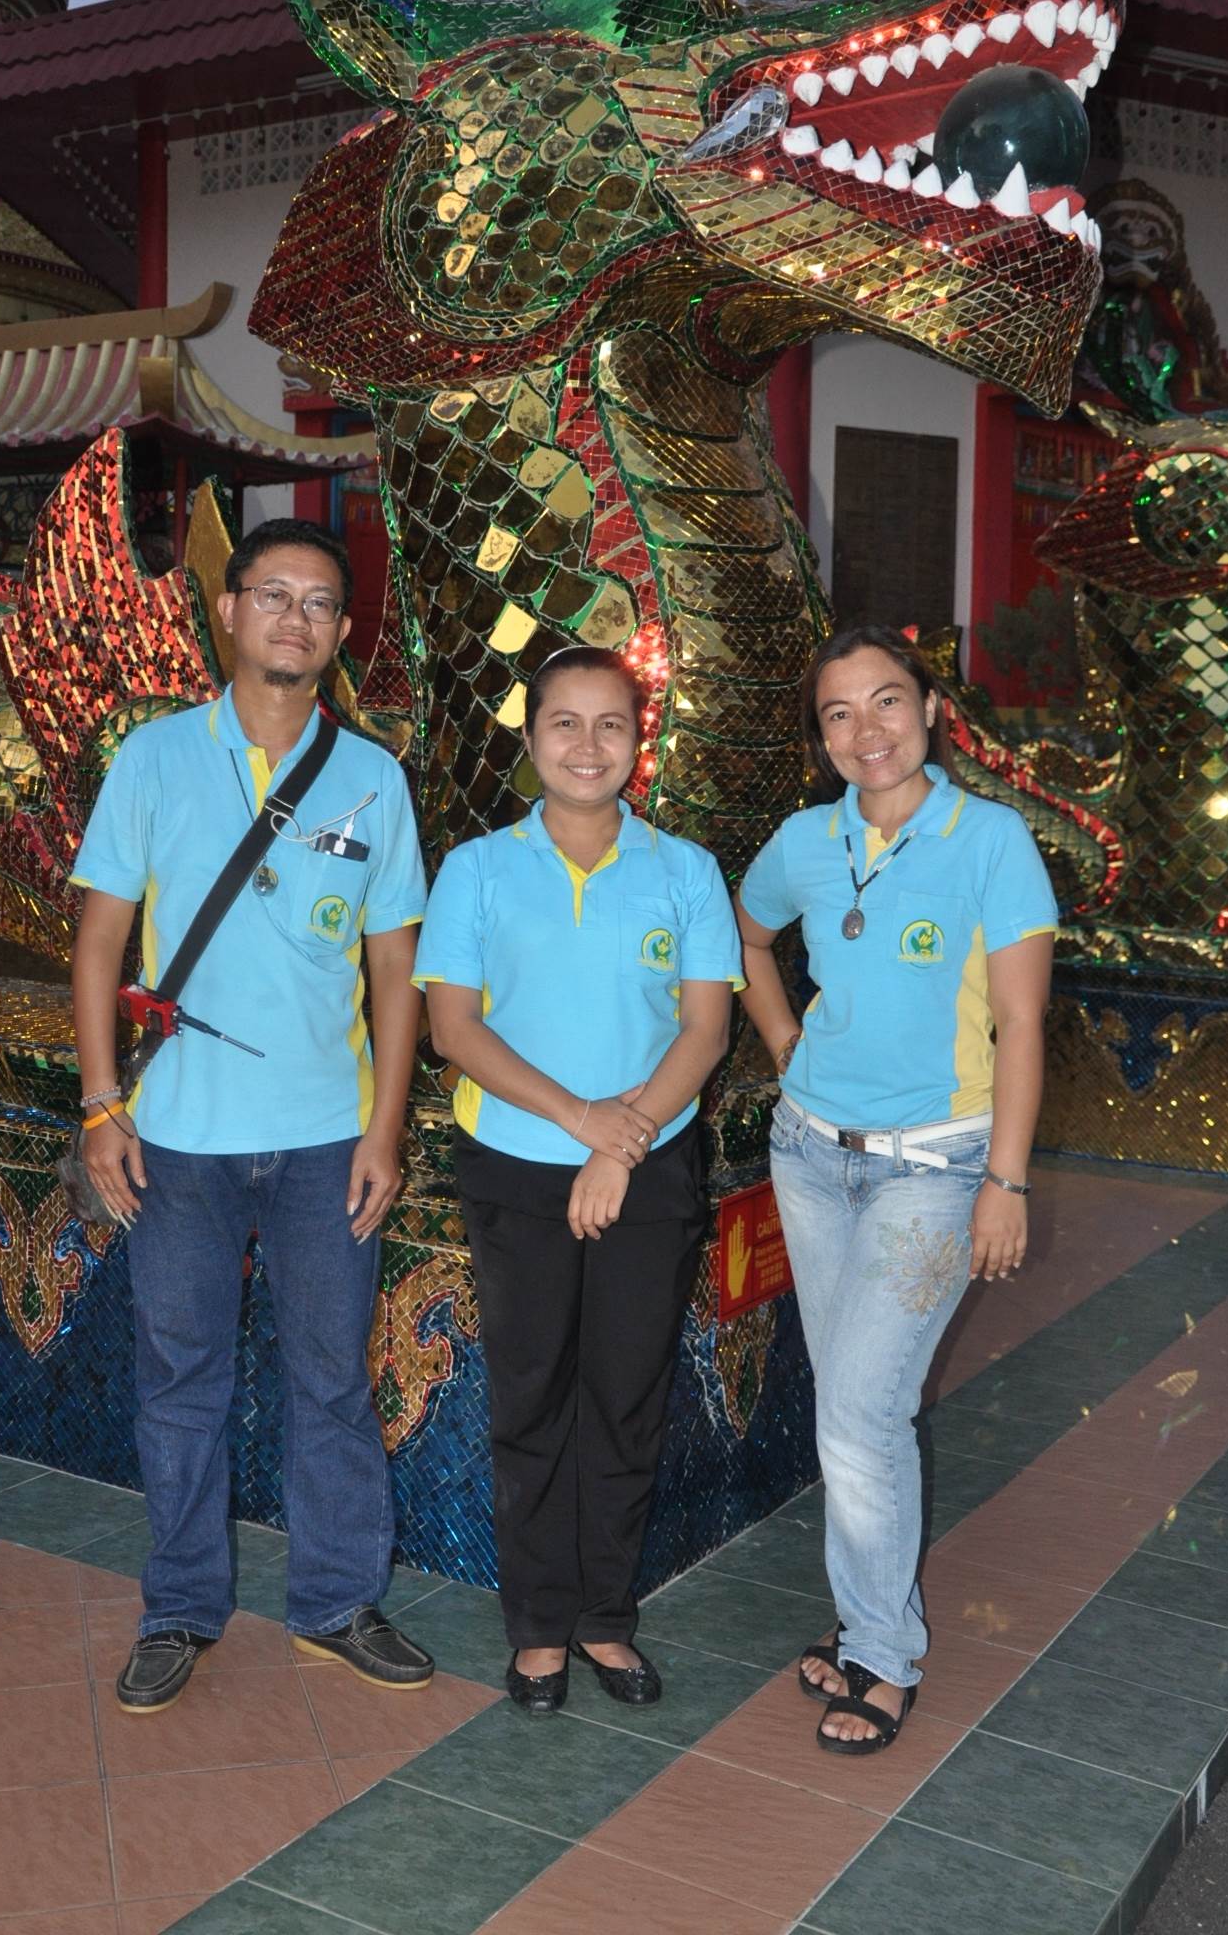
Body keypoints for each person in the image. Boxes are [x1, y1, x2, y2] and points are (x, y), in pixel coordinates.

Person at [71, 518, 434, 1713]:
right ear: (226, 611)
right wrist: (101, 1104)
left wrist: (384, 1129)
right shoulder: (155, 756)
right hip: (177, 1134)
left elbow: (395, 969)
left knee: (331, 1379)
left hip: (327, 1135)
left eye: (318, 601)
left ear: (341, 631)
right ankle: (178, 1604)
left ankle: (337, 1599)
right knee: (180, 1378)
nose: (295, 617)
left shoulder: (373, 777)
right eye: (272, 594)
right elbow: (100, 939)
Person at [736, 624, 1055, 1755]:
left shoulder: (991, 840)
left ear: (927, 710)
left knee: (860, 1410)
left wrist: (1005, 1179)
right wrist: (785, 1039)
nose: (864, 729)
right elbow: (747, 933)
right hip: (809, 1153)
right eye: (838, 712)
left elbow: (1021, 1022)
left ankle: (882, 1651)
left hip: (937, 1164)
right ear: (820, 736)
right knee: (853, 1404)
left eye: (884, 701)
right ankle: (868, 1611)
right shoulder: (804, 840)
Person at [414, 647, 742, 1715]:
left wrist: (619, 1142)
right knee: (532, 1395)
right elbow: (453, 1028)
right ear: (530, 737)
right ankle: (538, 1626)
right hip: (516, 1165)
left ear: (638, 741)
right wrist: (580, 1120)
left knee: (626, 1394)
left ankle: (605, 1616)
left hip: (648, 1167)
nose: (587, 745)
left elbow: (705, 1029)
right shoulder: (476, 869)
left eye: (611, 724)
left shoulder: (684, 869)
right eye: (565, 723)